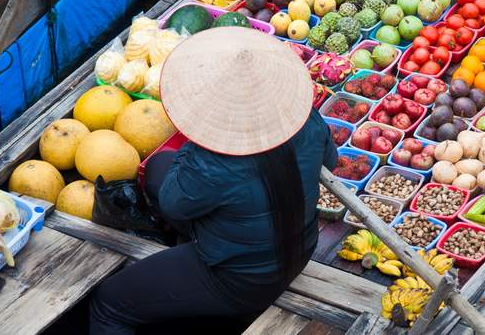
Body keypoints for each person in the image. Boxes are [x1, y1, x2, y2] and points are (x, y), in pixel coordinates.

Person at [89, 27, 337, 334]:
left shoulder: (213, 161)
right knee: (158, 169)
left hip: (241, 280)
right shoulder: (305, 118)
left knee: (108, 303)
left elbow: (173, 205)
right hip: (300, 245)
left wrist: (199, 142)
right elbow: (329, 161)